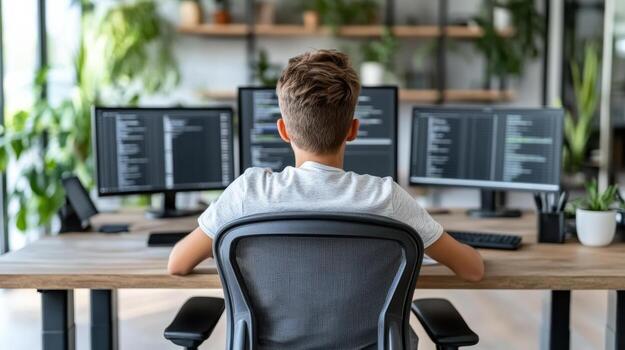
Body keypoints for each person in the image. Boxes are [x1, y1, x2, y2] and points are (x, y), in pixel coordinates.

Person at [168, 49, 484, 282]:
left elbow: (178, 263)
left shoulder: (248, 193)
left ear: (283, 130)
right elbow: (472, 270)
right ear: (353, 129)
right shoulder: (386, 199)